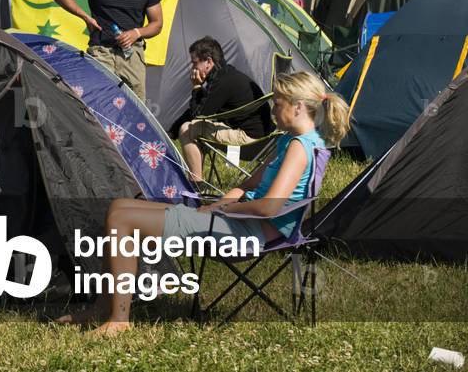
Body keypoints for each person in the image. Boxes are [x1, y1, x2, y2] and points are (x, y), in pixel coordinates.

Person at [58, 71, 349, 334]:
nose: (272, 109)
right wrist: (220, 203)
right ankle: (102, 308)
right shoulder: (294, 141)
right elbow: (250, 184)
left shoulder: (300, 147)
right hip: (238, 222)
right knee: (119, 207)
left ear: (298, 107)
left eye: (278, 103)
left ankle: (118, 320)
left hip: (247, 234)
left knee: (123, 221)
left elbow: (269, 207)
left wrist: (227, 209)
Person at [53, 0, 163, 102]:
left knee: (137, 106)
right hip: (100, 51)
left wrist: (136, 33)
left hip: (131, 54)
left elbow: (157, 24)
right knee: (98, 104)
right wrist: (84, 17)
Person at [171, 37, 272, 185]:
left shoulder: (222, 82)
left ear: (209, 62)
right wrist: (171, 132)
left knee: (187, 129)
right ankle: (196, 180)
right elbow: (201, 110)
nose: (192, 68)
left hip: (251, 142)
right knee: (195, 126)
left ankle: (195, 184)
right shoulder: (225, 75)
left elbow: (197, 114)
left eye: (195, 63)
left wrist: (196, 87)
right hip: (264, 138)